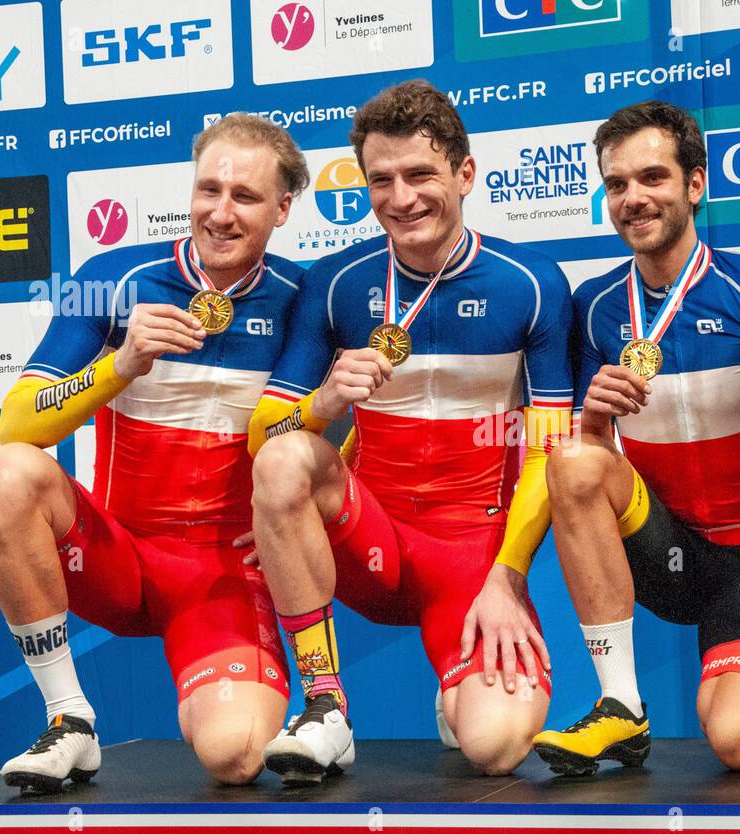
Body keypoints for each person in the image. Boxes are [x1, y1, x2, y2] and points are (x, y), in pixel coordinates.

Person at [244, 79, 573, 781]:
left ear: (464, 173)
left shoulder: (532, 283)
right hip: (371, 536)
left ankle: (458, 685)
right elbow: (264, 438)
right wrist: (328, 400)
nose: (401, 198)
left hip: (471, 557)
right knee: (281, 462)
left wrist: (508, 578)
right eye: (381, 179)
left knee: (495, 745)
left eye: (421, 174)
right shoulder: (335, 283)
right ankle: (324, 705)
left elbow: (549, 452)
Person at [0, 114, 310, 791]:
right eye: (207, 189)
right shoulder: (114, 277)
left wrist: (292, 522)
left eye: (244, 196)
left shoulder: (305, 298)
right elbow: (16, 423)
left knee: (237, 754)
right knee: (4, 474)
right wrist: (120, 363)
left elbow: (348, 422)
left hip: (222, 576)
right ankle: (69, 719)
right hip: (116, 558)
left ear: (282, 208)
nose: (219, 212)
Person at [531, 101, 740, 776]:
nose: (634, 198)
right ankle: (620, 705)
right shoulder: (595, 307)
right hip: (659, 550)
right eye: (617, 184)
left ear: (695, 184)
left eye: (652, 177)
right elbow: (575, 460)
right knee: (573, 459)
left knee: (739, 741)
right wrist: (593, 425)